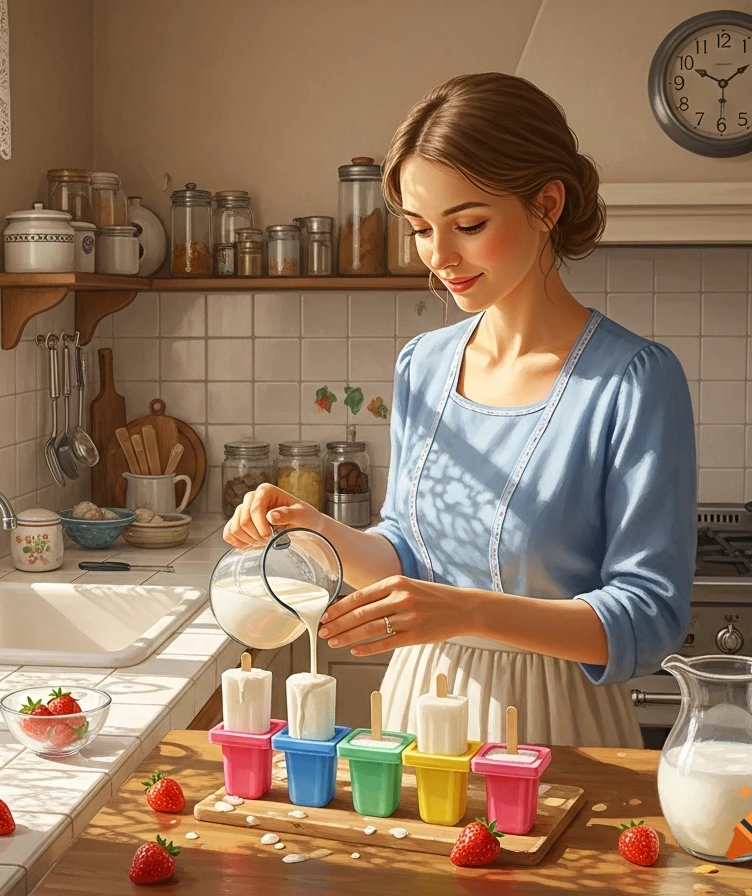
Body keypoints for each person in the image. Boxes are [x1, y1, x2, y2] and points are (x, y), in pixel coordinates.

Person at [224, 72, 697, 748]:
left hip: (556, 724)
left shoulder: (632, 382)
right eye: (420, 229)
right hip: (419, 711)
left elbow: (649, 618)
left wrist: (464, 612)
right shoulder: (425, 365)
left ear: (547, 204)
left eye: (468, 225)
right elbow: (407, 555)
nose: (440, 257)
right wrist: (310, 528)